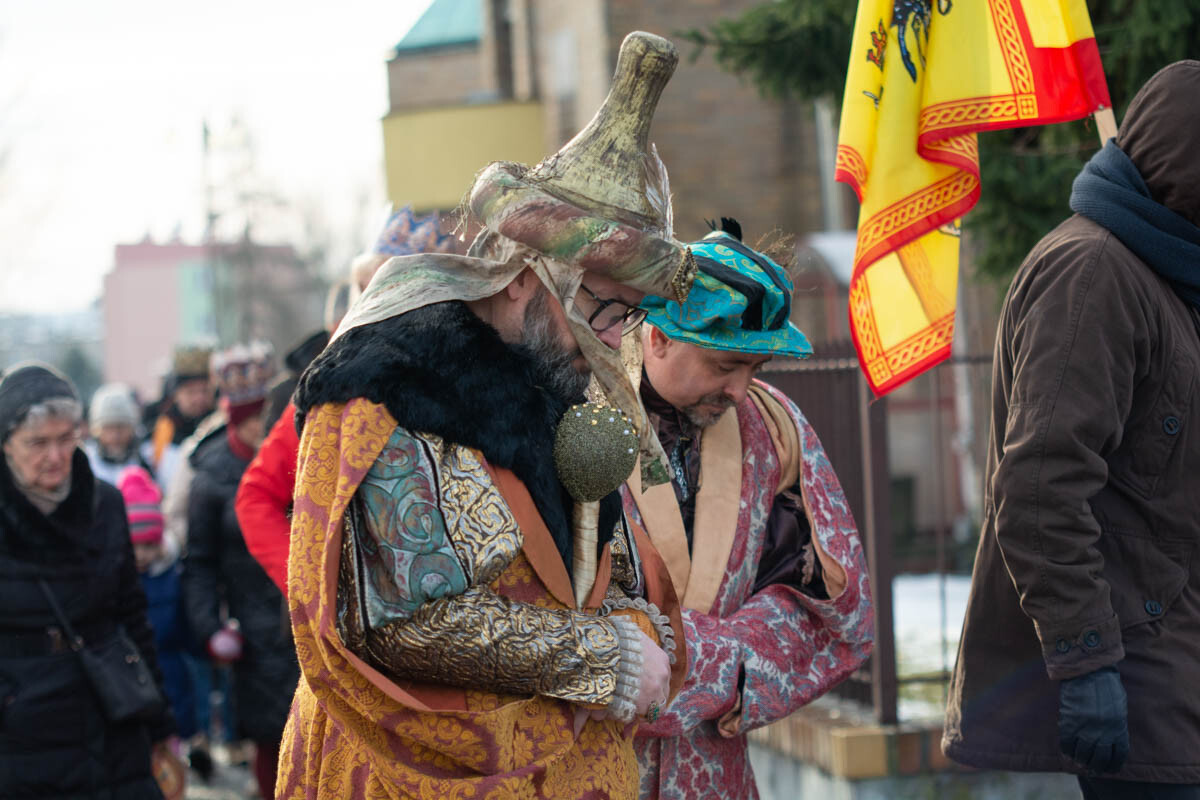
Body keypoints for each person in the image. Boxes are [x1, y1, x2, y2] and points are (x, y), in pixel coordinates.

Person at [276, 31, 693, 799]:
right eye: (605, 309)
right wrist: (607, 657)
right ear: (526, 279)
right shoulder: (385, 385)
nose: (613, 343)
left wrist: (641, 627)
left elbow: (613, 570)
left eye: (629, 318)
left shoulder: (560, 384)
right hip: (407, 768)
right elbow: (399, 617)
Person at [942, 61, 1200, 795]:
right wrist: (1086, 660)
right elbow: (1039, 486)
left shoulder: (1170, 276)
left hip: (1174, 669)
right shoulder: (1095, 273)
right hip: (1133, 675)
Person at [626, 222, 873, 799]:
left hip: (713, 775)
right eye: (724, 365)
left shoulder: (774, 428)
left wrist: (703, 664)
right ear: (658, 338)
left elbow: (837, 609)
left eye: (754, 369)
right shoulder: (568, 416)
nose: (740, 390)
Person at [238, 208, 458, 595]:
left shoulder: (460, 373)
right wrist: (314, 587)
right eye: (371, 288)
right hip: (354, 621)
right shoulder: (332, 378)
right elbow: (256, 497)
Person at [0, 363, 176, 799]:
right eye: (37, 443)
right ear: (6, 446)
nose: (55, 456)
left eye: (65, 439)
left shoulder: (106, 505)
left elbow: (133, 616)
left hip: (111, 712)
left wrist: (160, 724)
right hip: (22, 733)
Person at [180, 342, 297, 800]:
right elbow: (200, 564)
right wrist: (211, 628)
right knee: (271, 737)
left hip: (301, 605)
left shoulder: (296, 450)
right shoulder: (209, 476)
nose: (257, 429)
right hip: (253, 627)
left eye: (262, 417)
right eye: (248, 419)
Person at [117, 466, 196, 747]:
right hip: (129, 677)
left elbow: (186, 627)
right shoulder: (115, 580)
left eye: (149, 546)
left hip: (170, 671)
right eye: (134, 546)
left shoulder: (171, 576)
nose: (141, 555)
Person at [144, 345, 214, 491]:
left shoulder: (218, 426)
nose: (199, 398)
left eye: (204, 390)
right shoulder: (159, 432)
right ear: (176, 394)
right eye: (191, 392)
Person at [83, 382, 154, 486]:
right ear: (96, 430)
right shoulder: (87, 460)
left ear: (132, 428)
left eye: (121, 427)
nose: (115, 435)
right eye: (108, 428)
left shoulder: (150, 458)